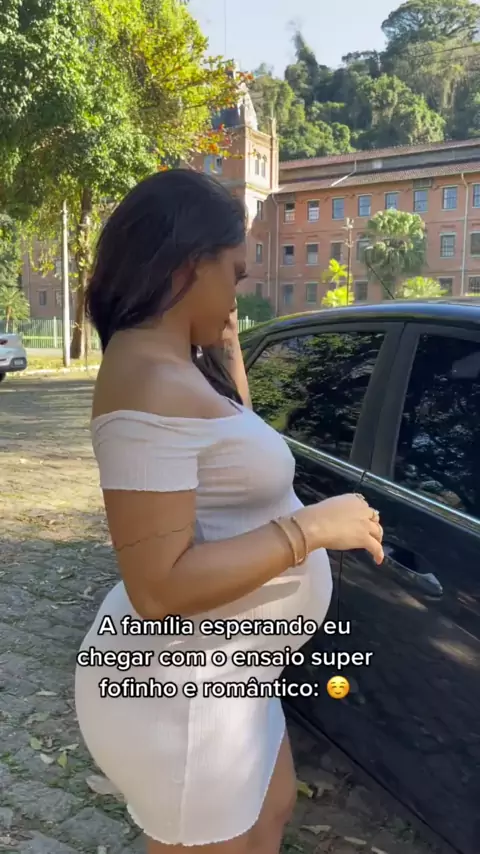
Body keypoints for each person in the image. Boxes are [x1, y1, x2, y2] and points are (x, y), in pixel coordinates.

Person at [74, 168, 384, 854]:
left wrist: (225, 341)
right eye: (235, 275)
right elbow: (158, 589)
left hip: (230, 673)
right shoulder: (148, 380)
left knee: (272, 810)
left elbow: (230, 436)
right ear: (189, 265)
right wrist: (310, 529)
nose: (239, 293)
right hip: (183, 693)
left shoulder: (173, 365)